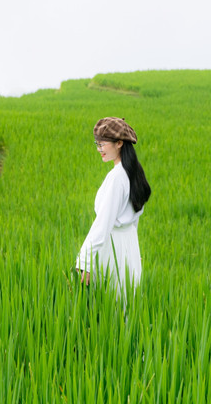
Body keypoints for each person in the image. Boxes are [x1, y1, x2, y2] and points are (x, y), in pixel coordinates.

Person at [74, 117, 151, 296]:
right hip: (130, 247)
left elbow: (103, 223)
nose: (99, 149)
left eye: (103, 144)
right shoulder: (133, 172)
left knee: (111, 307)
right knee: (127, 306)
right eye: (97, 144)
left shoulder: (117, 177)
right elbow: (135, 218)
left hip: (114, 249)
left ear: (119, 143)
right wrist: (134, 250)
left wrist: (85, 261)